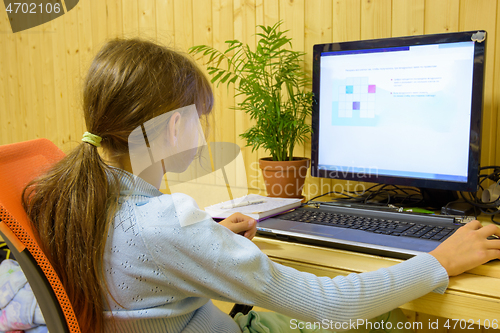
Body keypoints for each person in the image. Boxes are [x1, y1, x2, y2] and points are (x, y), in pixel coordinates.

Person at [22, 38, 500, 333]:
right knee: (393, 317)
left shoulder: (76, 194)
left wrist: (208, 241)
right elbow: (324, 303)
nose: (205, 131)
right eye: (200, 119)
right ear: (173, 129)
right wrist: (438, 260)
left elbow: (144, 265)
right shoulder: (166, 224)